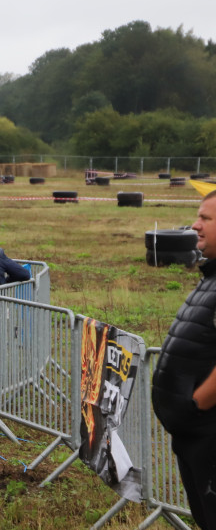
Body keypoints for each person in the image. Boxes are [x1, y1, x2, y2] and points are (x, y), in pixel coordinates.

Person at [153, 190, 216, 528]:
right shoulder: (211, 276)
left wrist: (196, 405)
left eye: (206, 218)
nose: (195, 225)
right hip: (193, 435)